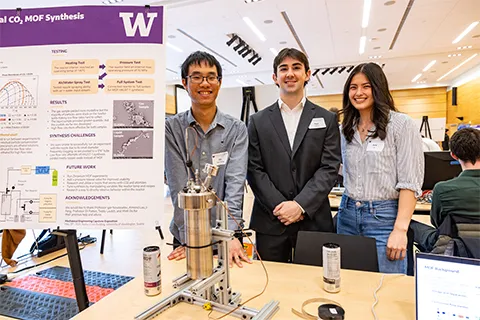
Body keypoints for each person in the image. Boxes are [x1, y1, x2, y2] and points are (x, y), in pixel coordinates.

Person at [247, 48, 341, 263]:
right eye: (283, 69)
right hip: (271, 220)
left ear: (307, 74)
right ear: (275, 77)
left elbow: (328, 167)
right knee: (272, 284)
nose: (290, 73)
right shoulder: (258, 121)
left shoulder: (326, 119)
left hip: (313, 219)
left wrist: (300, 206)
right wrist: (281, 207)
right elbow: (254, 169)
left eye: (296, 67)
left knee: (314, 285)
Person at [164, 51, 251, 268]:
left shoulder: (236, 129)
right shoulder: (173, 128)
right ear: (185, 82)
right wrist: (188, 238)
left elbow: (235, 183)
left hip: (225, 233)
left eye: (211, 77)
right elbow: (177, 187)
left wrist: (230, 234)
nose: (205, 83)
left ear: (219, 82)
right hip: (187, 235)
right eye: (197, 76)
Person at [337, 62, 424, 274]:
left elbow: (410, 182)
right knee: (349, 285)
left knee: (386, 289)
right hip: (347, 215)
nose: (358, 93)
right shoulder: (345, 130)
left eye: (366, 86)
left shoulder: (401, 125)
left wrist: (400, 229)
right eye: (353, 87)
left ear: (378, 88)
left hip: (384, 220)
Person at [411, 127, 480, 252]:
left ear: (453, 155)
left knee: (408, 226)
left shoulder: (442, 189)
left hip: (456, 248)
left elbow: (438, 223)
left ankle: (408, 271)